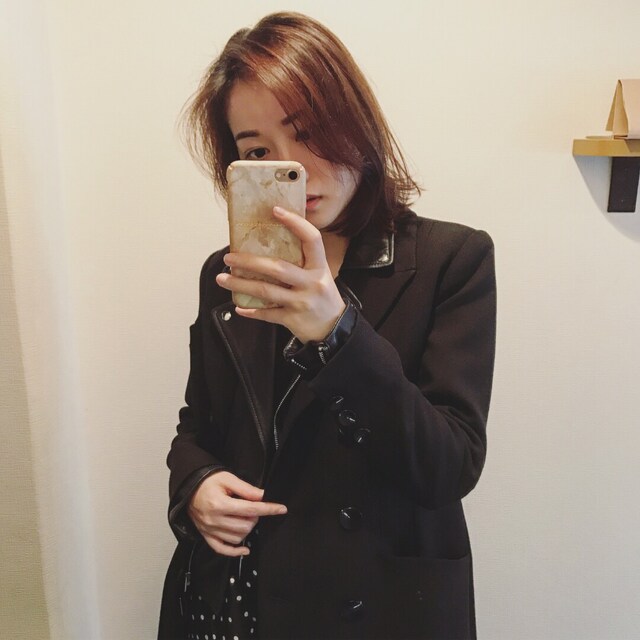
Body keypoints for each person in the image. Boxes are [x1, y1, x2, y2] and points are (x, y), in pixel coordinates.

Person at [158, 11, 496, 640]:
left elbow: (449, 466)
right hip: (245, 599)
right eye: (258, 151)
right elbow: (197, 426)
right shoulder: (229, 272)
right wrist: (195, 487)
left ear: (355, 122)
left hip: (378, 605)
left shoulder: (451, 260)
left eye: (308, 131)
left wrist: (337, 334)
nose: (293, 167)